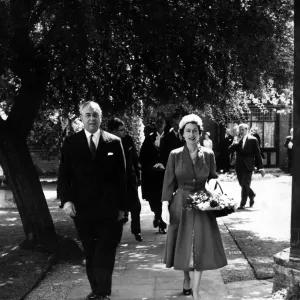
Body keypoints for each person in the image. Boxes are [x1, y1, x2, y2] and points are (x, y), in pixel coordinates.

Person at [58, 101, 127, 300]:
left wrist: (123, 208)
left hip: (109, 210)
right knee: (90, 251)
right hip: (83, 210)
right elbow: (64, 176)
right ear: (81, 118)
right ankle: (96, 289)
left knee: (105, 251)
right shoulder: (71, 143)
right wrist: (67, 201)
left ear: (101, 117)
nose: (91, 118)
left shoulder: (114, 142)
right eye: (87, 115)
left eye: (95, 115)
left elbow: (122, 178)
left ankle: (103, 292)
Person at [161, 114, 227, 300]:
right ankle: (186, 278)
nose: (191, 134)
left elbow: (213, 177)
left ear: (200, 133)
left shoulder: (208, 154)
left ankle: (196, 293)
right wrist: (165, 206)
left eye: (195, 131)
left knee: (200, 244)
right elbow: (168, 182)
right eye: (188, 131)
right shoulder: (174, 155)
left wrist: (215, 190)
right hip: (180, 203)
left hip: (202, 204)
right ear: (182, 134)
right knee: (183, 243)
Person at [107, 117, 143, 242]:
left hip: (130, 179)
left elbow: (134, 159)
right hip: (115, 183)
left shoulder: (128, 140)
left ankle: (136, 230)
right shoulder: (107, 143)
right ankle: (116, 236)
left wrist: (137, 177)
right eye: (120, 130)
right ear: (112, 131)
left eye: (123, 129)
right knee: (118, 210)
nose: (124, 132)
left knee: (136, 207)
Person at [139, 112, 167, 234]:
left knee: (164, 200)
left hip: (165, 175)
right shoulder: (149, 138)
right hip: (152, 176)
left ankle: (162, 222)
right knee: (154, 200)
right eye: (157, 122)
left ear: (165, 124)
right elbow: (143, 156)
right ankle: (157, 215)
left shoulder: (170, 138)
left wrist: (165, 166)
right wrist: (151, 167)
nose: (159, 124)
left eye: (161, 122)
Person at [228, 123, 265, 209]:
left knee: (245, 184)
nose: (240, 131)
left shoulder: (253, 140)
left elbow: (257, 154)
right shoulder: (236, 139)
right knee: (242, 183)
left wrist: (261, 168)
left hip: (248, 165)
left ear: (247, 130)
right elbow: (229, 150)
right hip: (239, 165)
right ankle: (252, 194)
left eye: (242, 129)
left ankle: (242, 203)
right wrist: (235, 143)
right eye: (239, 129)